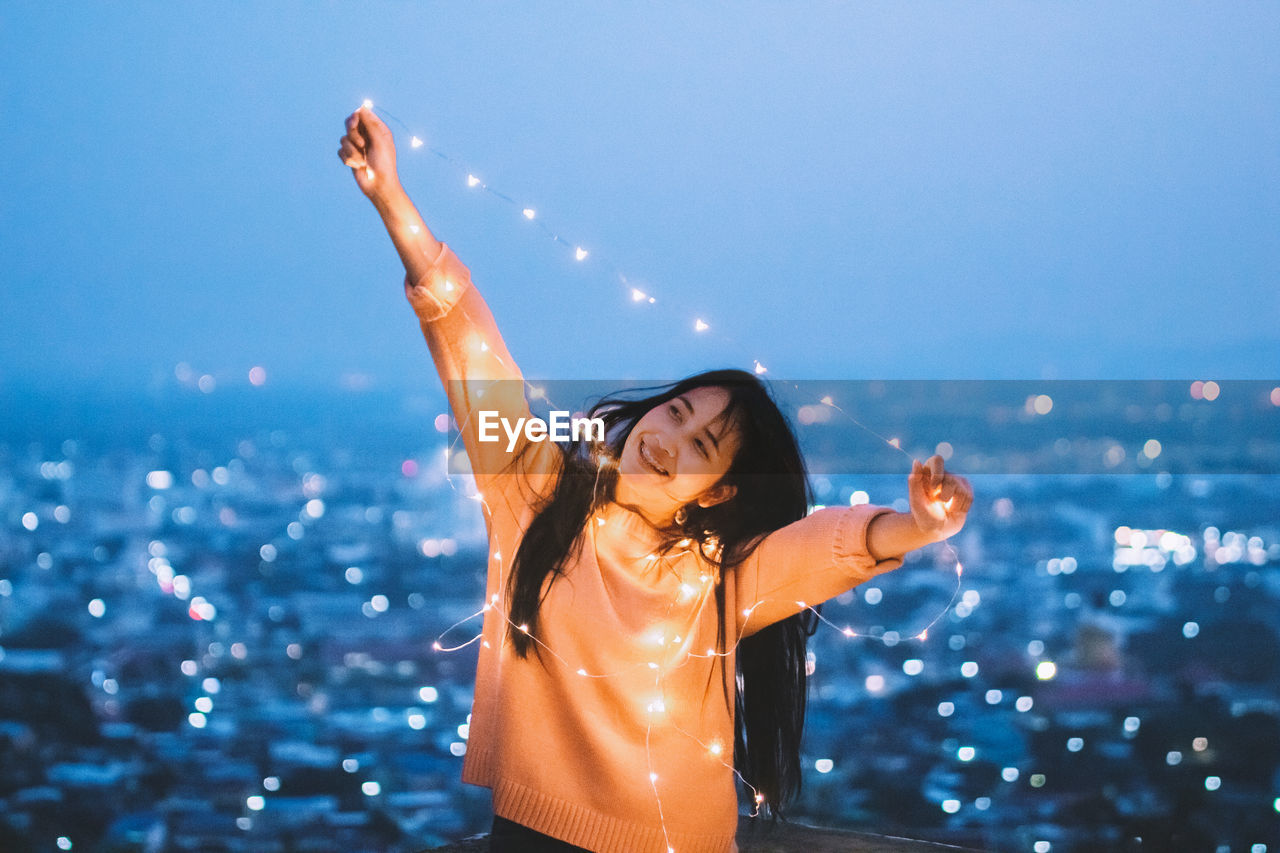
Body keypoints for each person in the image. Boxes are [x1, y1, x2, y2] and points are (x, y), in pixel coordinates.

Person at [338, 105, 974, 853]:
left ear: (721, 491)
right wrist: (391, 199)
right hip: (530, 834)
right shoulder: (537, 493)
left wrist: (921, 525)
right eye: (674, 412)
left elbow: (821, 548)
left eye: (704, 442)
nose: (670, 437)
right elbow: (473, 350)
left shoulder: (717, 575)